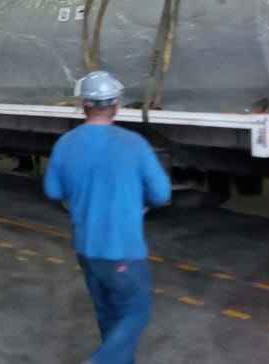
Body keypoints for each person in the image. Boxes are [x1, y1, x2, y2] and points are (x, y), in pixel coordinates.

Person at [44, 71, 172, 364]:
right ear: (116, 104)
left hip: (87, 249)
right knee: (136, 311)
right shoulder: (134, 144)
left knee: (107, 315)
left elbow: (53, 190)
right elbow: (162, 193)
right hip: (123, 250)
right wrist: (141, 201)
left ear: (83, 105)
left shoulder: (65, 143)